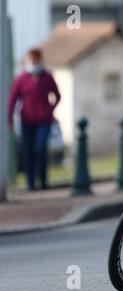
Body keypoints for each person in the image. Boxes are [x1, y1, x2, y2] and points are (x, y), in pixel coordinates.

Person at [8, 48, 61, 191]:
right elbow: (13, 99)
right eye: (30, 61)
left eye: (35, 61)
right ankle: (31, 183)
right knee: (28, 151)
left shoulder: (47, 77)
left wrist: (50, 109)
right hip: (26, 120)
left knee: (40, 148)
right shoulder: (21, 78)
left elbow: (57, 95)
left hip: (44, 120)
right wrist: (10, 120)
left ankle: (43, 180)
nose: (33, 63)